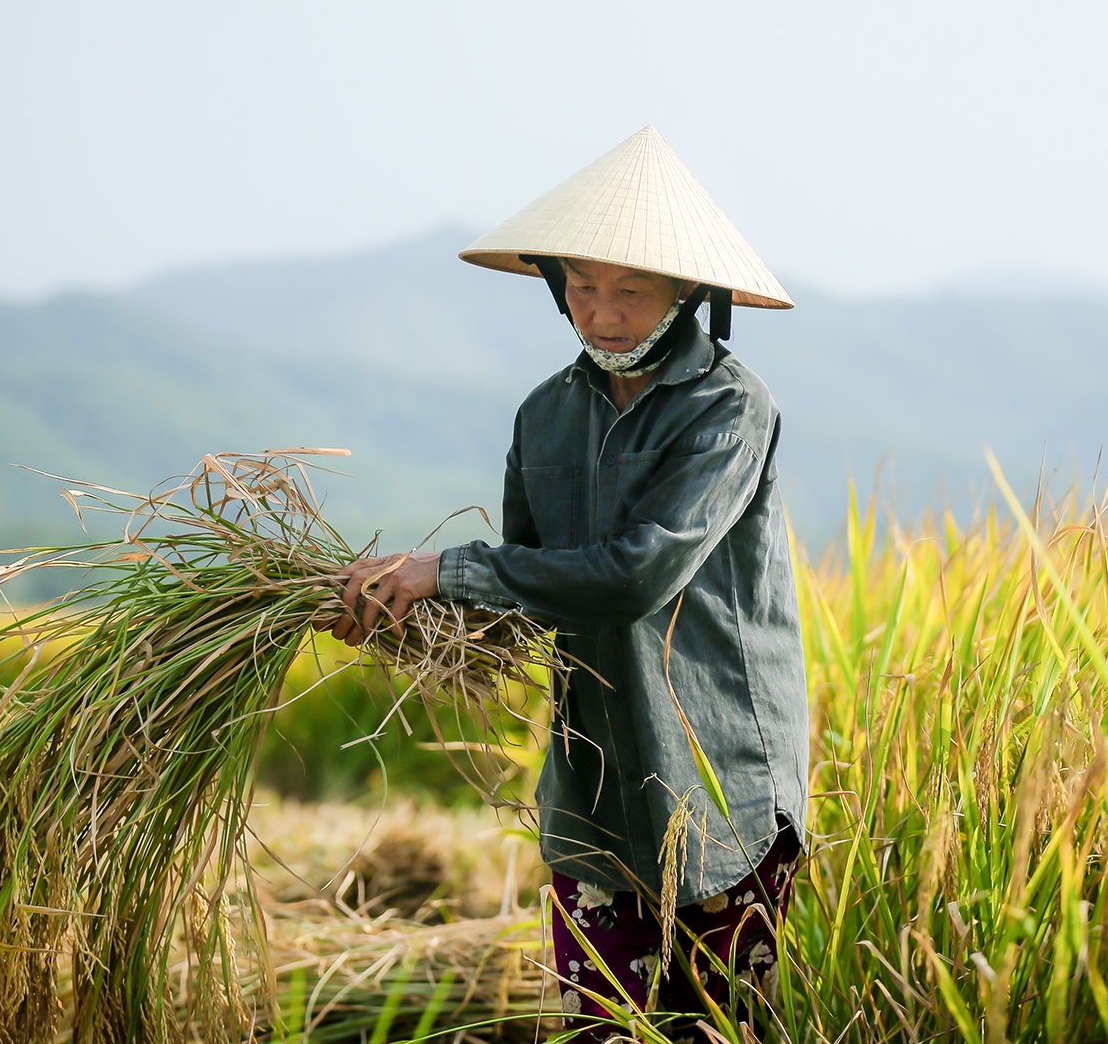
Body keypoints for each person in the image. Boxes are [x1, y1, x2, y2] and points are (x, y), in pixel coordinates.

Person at [320, 126, 808, 1036]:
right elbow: (529, 589)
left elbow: (636, 576)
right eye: (582, 286)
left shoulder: (730, 409)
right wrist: (394, 606)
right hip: (593, 780)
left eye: (629, 291)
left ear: (686, 296)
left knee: (720, 1026)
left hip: (719, 775)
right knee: (601, 1028)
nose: (602, 313)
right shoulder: (544, 414)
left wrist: (447, 572)